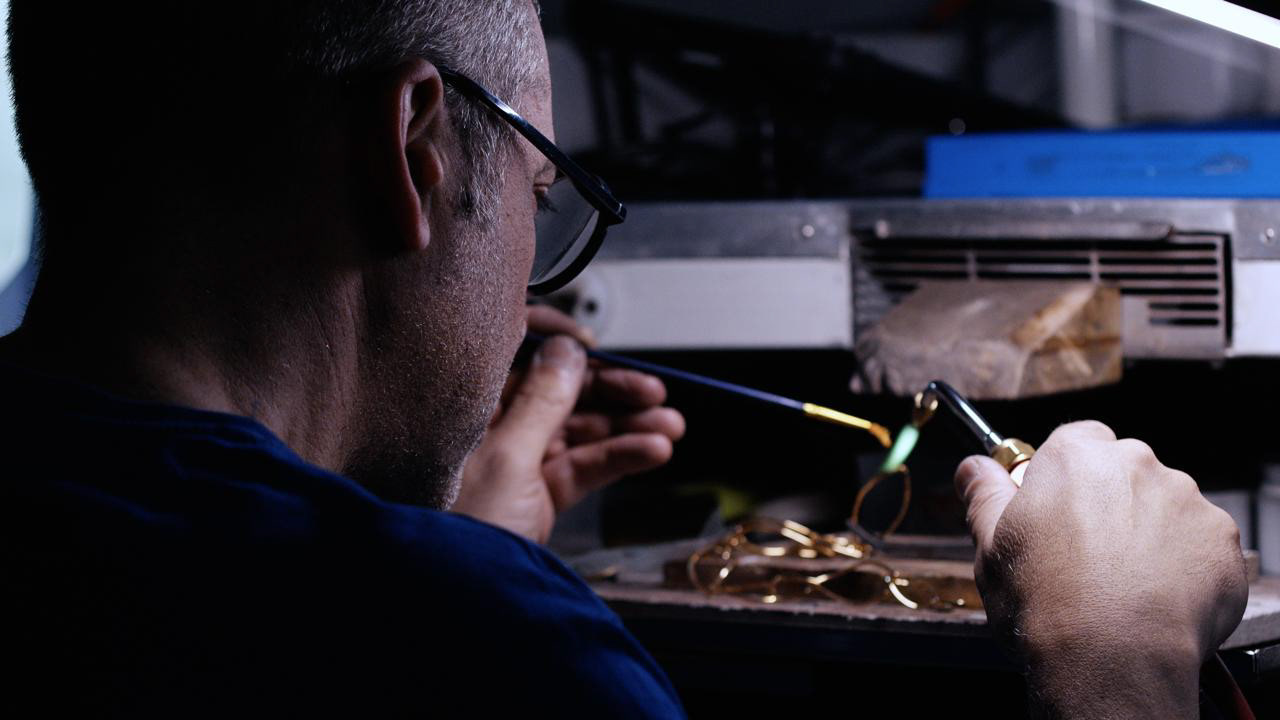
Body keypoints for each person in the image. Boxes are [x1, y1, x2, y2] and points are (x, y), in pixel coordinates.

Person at [0, 1, 1247, 717]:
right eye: (543, 194)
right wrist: (1115, 661)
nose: (531, 307)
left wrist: (450, 547)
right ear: (415, 154)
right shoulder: (477, 647)